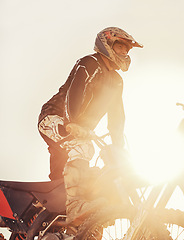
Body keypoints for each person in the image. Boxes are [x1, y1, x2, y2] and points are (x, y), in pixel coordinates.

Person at [38, 27, 142, 224]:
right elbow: (74, 94)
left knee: (97, 170)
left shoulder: (116, 81)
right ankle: (76, 206)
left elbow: (117, 116)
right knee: (83, 147)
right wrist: (71, 123)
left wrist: (118, 147)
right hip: (54, 118)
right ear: (107, 44)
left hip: (81, 131)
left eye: (127, 50)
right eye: (121, 47)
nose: (125, 53)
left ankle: (80, 225)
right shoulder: (89, 63)